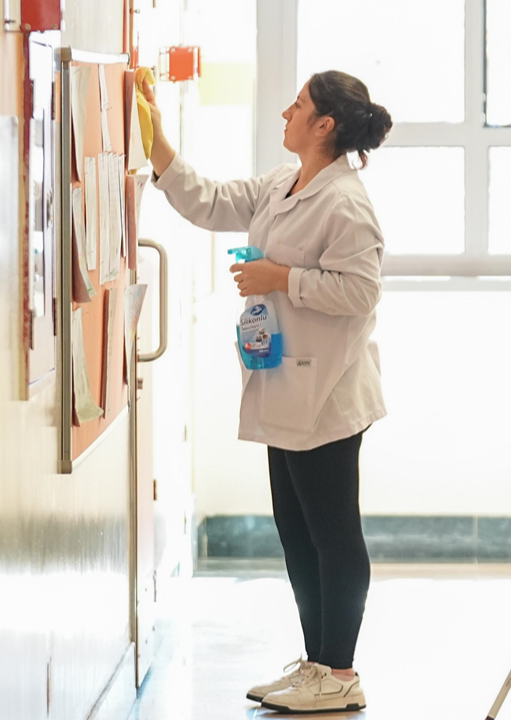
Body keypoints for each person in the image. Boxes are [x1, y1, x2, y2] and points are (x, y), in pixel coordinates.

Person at [143, 70, 391, 714]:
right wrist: (157, 142)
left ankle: (341, 671)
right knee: (296, 530)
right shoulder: (285, 184)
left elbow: (360, 292)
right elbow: (212, 201)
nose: (287, 111)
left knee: (333, 535)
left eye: (299, 105)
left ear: (324, 125)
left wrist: (281, 278)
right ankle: (317, 664)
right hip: (285, 382)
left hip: (329, 391)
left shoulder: (346, 203)